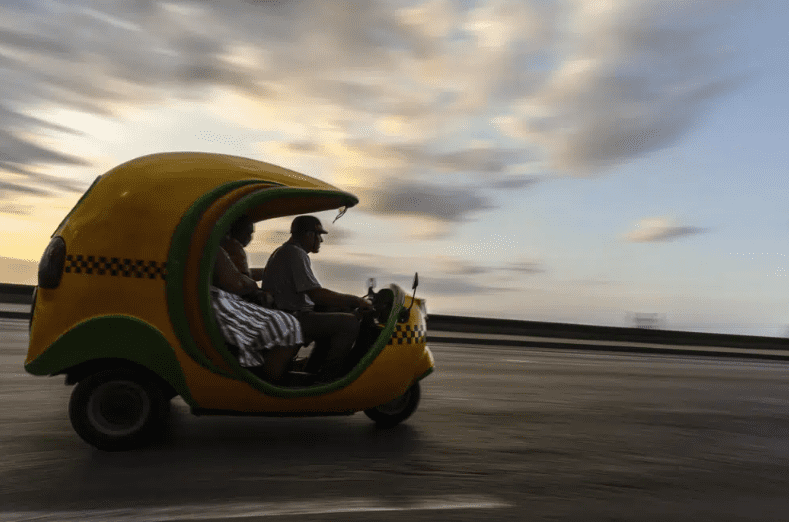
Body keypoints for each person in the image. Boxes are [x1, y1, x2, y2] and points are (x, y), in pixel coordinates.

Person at [261, 215, 373, 381]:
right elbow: (316, 294)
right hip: (292, 318)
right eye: (318, 235)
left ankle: (313, 368)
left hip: (287, 316)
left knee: (335, 313)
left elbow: (311, 294)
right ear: (308, 234)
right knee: (349, 324)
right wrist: (357, 301)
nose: (321, 240)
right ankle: (329, 380)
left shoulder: (286, 251)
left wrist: (343, 304)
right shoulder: (295, 254)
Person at [211, 215, 303, 383]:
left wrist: (269, 272)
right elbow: (237, 282)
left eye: (251, 233)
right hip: (222, 302)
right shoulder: (231, 247)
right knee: (289, 324)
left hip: (221, 300)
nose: (249, 237)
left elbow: (240, 274)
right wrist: (257, 288)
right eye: (246, 232)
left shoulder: (223, 248)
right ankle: (269, 383)